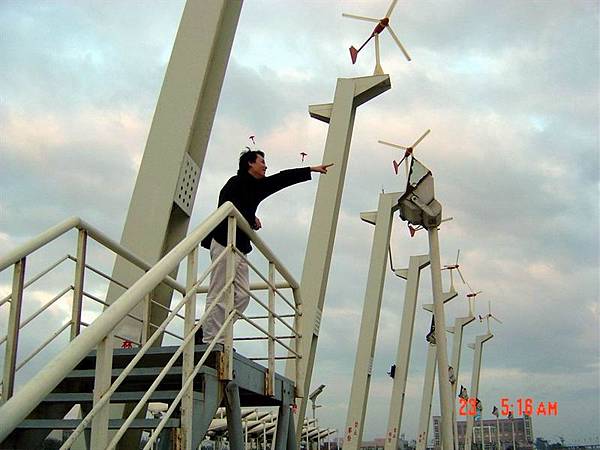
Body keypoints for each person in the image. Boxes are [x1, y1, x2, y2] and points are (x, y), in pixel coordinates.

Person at [199, 149, 333, 344]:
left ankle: (206, 330)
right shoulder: (234, 183)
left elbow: (282, 178)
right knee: (219, 290)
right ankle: (211, 339)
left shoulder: (259, 186)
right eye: (262, 161)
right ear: (250, 164)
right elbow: (226, 205)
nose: (265, 165)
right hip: (223, 240)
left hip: (241, 246)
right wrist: (250, 218)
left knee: (243, 297)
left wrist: (311, 169)